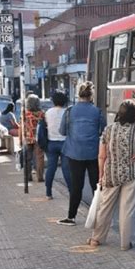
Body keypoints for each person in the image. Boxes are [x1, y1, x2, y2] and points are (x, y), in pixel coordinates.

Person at [87, 99, 135, 250]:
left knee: (105, 208)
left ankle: (96, 239)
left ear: (119, 113)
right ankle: (124, 244)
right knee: (127, 210)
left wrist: (101, 175)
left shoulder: (108, 130)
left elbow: (101, 156)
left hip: (111, 174)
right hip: (132, 174)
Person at [57, 82, 106, 226]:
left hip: (74, 153)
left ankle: (71, 217)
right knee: (96, 185)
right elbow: (103, 131)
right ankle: (99, 217)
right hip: (93, 153)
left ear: (78, 94)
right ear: (91, 95)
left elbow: (62, 131)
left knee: (76, 186)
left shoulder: (69, 111)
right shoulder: (97, 111)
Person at [44, 91, 71, 200]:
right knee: (66, 168)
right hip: (64, 143)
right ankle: (71, 191)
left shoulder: (48, 112)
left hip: (51, 143)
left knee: (51, 168)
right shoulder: (67, 112)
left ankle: (48, 192)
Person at [21, 95, 45, 182]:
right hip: (39, 138)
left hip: (28, 137)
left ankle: (28, 176)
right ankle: (40, 177)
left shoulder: (25, 114)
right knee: (39, 157)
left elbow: (21, 127)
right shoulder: (41, 114)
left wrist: (21, 139)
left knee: (27, 158)